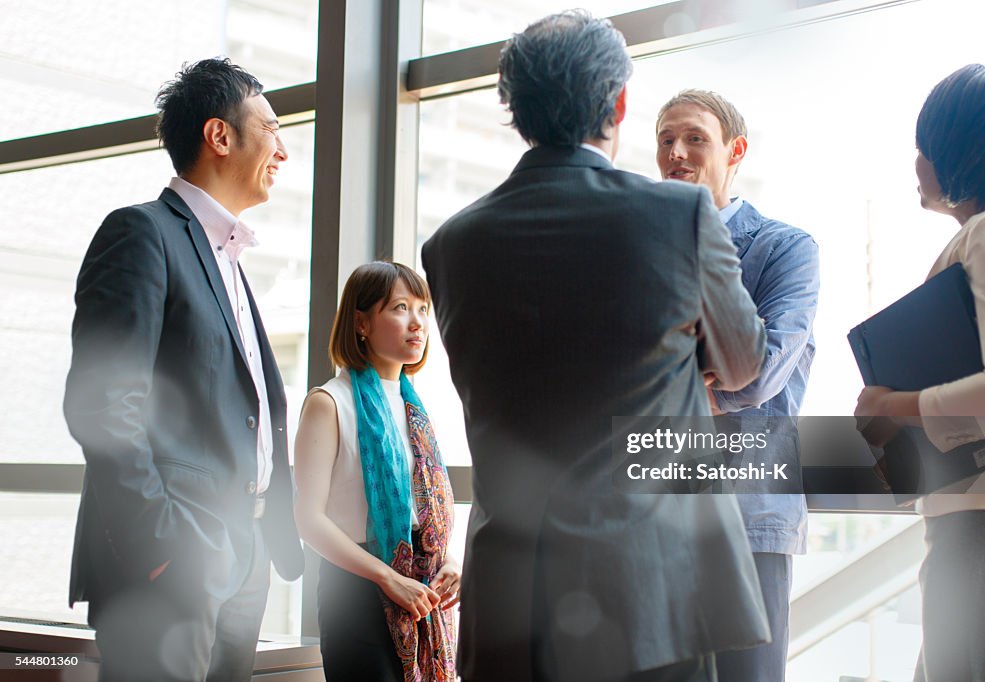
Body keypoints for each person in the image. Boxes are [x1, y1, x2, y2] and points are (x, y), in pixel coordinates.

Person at [422, 11, 770, 682]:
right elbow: (744, 361)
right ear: (618, 103)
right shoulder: (681, 215)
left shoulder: (451, 245)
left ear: (515, 109)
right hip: (652, 593)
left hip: (510, 601)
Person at [63, 58, 303, 681]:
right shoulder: (141, 234)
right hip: (174, 556)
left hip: (242, 554)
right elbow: (102, 404)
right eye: (272, 128)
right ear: (220, 136)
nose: (283, 149)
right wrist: (164, 544)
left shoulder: (231, 259)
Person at [854, 64, 985, 681]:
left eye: (924, 146)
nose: (917, 163)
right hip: (981, 517)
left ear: (966, 148)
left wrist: (886, 406)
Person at [655, 89, 819, 682]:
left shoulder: (785, 249)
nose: (676, 152)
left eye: (695, 138)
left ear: (735, 150)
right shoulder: (644, 251)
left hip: (749, 515)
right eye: (666, 139)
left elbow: (762, 370)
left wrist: (665, 393)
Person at [293, 261, 459, 682]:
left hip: (420, 595)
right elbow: (309, 520)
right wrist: (387, 578)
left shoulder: (414, 407)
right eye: (401, 308)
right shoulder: (328, 403)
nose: (418, 323)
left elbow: (422, 513)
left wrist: (448, 560)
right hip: (356, 595)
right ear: (361, 323)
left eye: (423, 309)